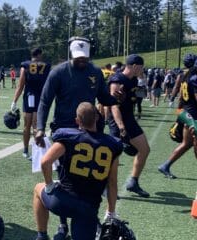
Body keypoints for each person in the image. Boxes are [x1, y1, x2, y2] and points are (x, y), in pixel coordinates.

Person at [35, 36, 120, 239]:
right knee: (64, 178)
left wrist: (116, 98)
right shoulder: (59, 72)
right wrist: (39, 128)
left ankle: (86, 215)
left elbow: (103, 97)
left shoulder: (95, 72)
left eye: (85, 57)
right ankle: (63, 223)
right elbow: (45, 101)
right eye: (78, 57)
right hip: (64, 130)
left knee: (85, 176)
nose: (82, 60)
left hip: (88, 129)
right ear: (71, 55)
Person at [33, 102, 122, 240]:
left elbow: (45, 162)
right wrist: (110, 212)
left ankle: (42, 236)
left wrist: (50, 185)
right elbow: (112, 183)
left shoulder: (68, 137)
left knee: (38, 188)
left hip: (63, 201)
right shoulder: (112, 144)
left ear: (77, 121)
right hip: (89, 207)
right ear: (97, 118)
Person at [107, 54, 150, 198]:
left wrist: (142, 82)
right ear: (135, 66)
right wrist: (121, 127)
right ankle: (108, 187)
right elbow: (114, 106)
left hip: (129, 119)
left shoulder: (134, 80)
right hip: (117, 121)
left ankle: (133, 182)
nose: (142, 70)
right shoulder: (117, 80)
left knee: (144, 149)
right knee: (115, 157)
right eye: (141, 68)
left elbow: (140, 94)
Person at [158, 57, 197, 179]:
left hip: (186, 112)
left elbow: (181, 97)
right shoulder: (194, 78)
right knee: (193, 143)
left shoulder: (185, 75)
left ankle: (165, 165)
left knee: (187, 144)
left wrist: (179, 114)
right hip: (193, 115)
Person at [11, 48, 51, 159]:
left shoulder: (25, 65)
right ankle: (37, 152)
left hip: (30, 97)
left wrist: (14, 101)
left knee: (27, 125)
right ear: (39, 54)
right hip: (42, 97)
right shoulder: (46, 66)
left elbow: (20, 85)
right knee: (36, 126)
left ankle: (25, 150)